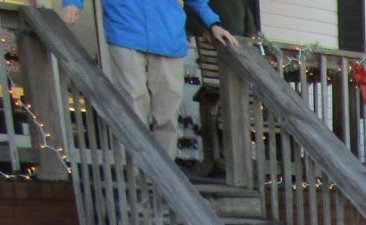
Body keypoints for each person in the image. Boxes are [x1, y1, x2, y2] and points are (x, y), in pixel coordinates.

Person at [61, 0, 238, 160]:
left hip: (168, 36)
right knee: (133, 103)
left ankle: (165, 173)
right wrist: (73, 3)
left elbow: (198, 1)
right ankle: (139, 171)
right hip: (125, 29)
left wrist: (213, 23)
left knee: (168, 110)